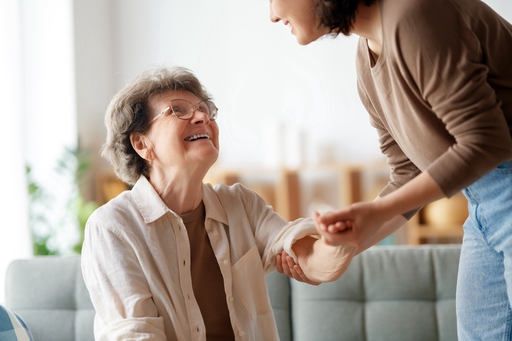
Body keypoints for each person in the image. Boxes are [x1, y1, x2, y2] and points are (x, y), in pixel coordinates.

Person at [268, 0, 512, 339]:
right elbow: (407, 174)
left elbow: (487, 142)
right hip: (483, 205)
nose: (272, 15)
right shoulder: (366, 63)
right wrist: (339, 248)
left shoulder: (416, 14)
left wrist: (376, 210)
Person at [81, 65, 357, 340]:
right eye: (178, 110)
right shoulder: (113, 228)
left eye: (205, 109)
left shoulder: (241, 204)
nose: (202, 116)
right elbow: (136, 335)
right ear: (142, 144)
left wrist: (341, 240)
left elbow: (310, 260)